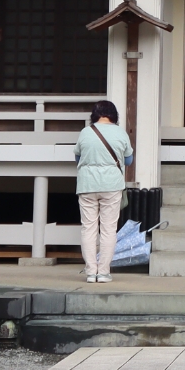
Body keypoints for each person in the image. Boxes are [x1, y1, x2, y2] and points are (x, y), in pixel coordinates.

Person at [75, 100, 132, 283]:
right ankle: (104, 272)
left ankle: (91, 272)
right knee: (108, 229)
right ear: (114, 115)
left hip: (87, 185)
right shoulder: (120, 133)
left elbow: (77, 157)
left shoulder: (85, 132)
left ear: (94, 115)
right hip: (111, 185)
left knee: (88, 229)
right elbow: (129, 160)